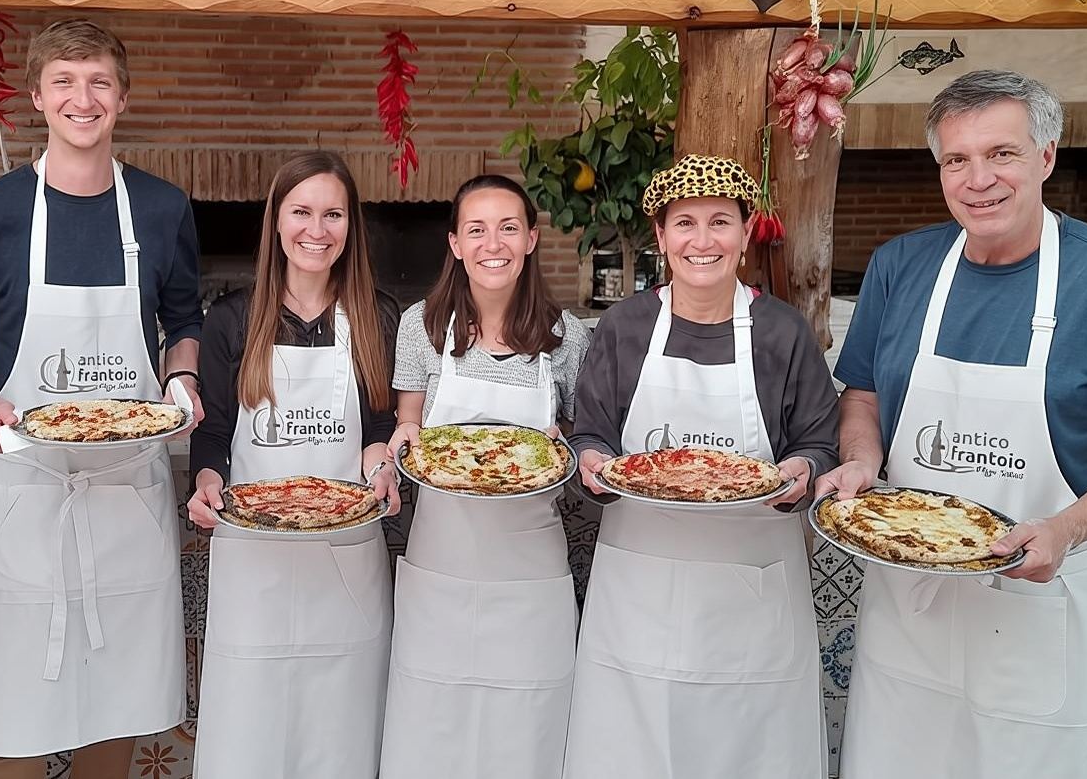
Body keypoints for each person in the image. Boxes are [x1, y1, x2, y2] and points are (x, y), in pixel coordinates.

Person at [817, 70, 1087, 779]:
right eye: (957, 159)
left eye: (1002, 154)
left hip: (1038, 605)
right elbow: (860, 397)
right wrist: (862, 460)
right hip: (911, 607)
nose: (977, 178)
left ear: (1046, 155)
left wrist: (1066, 528)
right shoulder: (901, 266)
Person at [0, 19, 203, 778]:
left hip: (129, 492)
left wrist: (181, 380)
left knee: (118, 697)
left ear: (122, 95)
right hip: (32, 488)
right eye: (65, 81)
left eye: (99, 82)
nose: (83, 98)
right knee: (19, 706)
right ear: (37, 96)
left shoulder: (161, 208)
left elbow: (183, 322)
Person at [565, 154, 838, 779]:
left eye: (720, 221)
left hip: (754, 591)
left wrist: (802, 469)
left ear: (746, 234)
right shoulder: (625, 326)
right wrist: (593, 462)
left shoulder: (782, 332)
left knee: (749, 749)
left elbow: (820, 442)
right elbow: (591, 433)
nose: (702, 240)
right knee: (634, 748)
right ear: (661, 238)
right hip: (639, 590)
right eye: (683, 223)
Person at [186, 150, 400, 778]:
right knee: (251, 721)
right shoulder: (230, 318)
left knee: (342, 723)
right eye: (301, 212)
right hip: (254, 557)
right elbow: (216, 431)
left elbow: (382, 425)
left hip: (348, 555)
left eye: (333, 214)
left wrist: (382, 460)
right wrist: (206, 482)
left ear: (350, 227)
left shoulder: (377, 316)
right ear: (276, 224)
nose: (316, 229)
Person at [378, 174, 590, 779]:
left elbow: (576, 441)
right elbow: (410, 427)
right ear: (454, 244)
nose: (491, 243)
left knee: (527, 724)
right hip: (440, 560)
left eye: (507, 228)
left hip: (532, 565)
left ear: (530, 240)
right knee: (431, 719)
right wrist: (399, 445)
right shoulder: (420, 326)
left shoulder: (568, 336)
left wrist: (564, 447)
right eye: (476, 229)